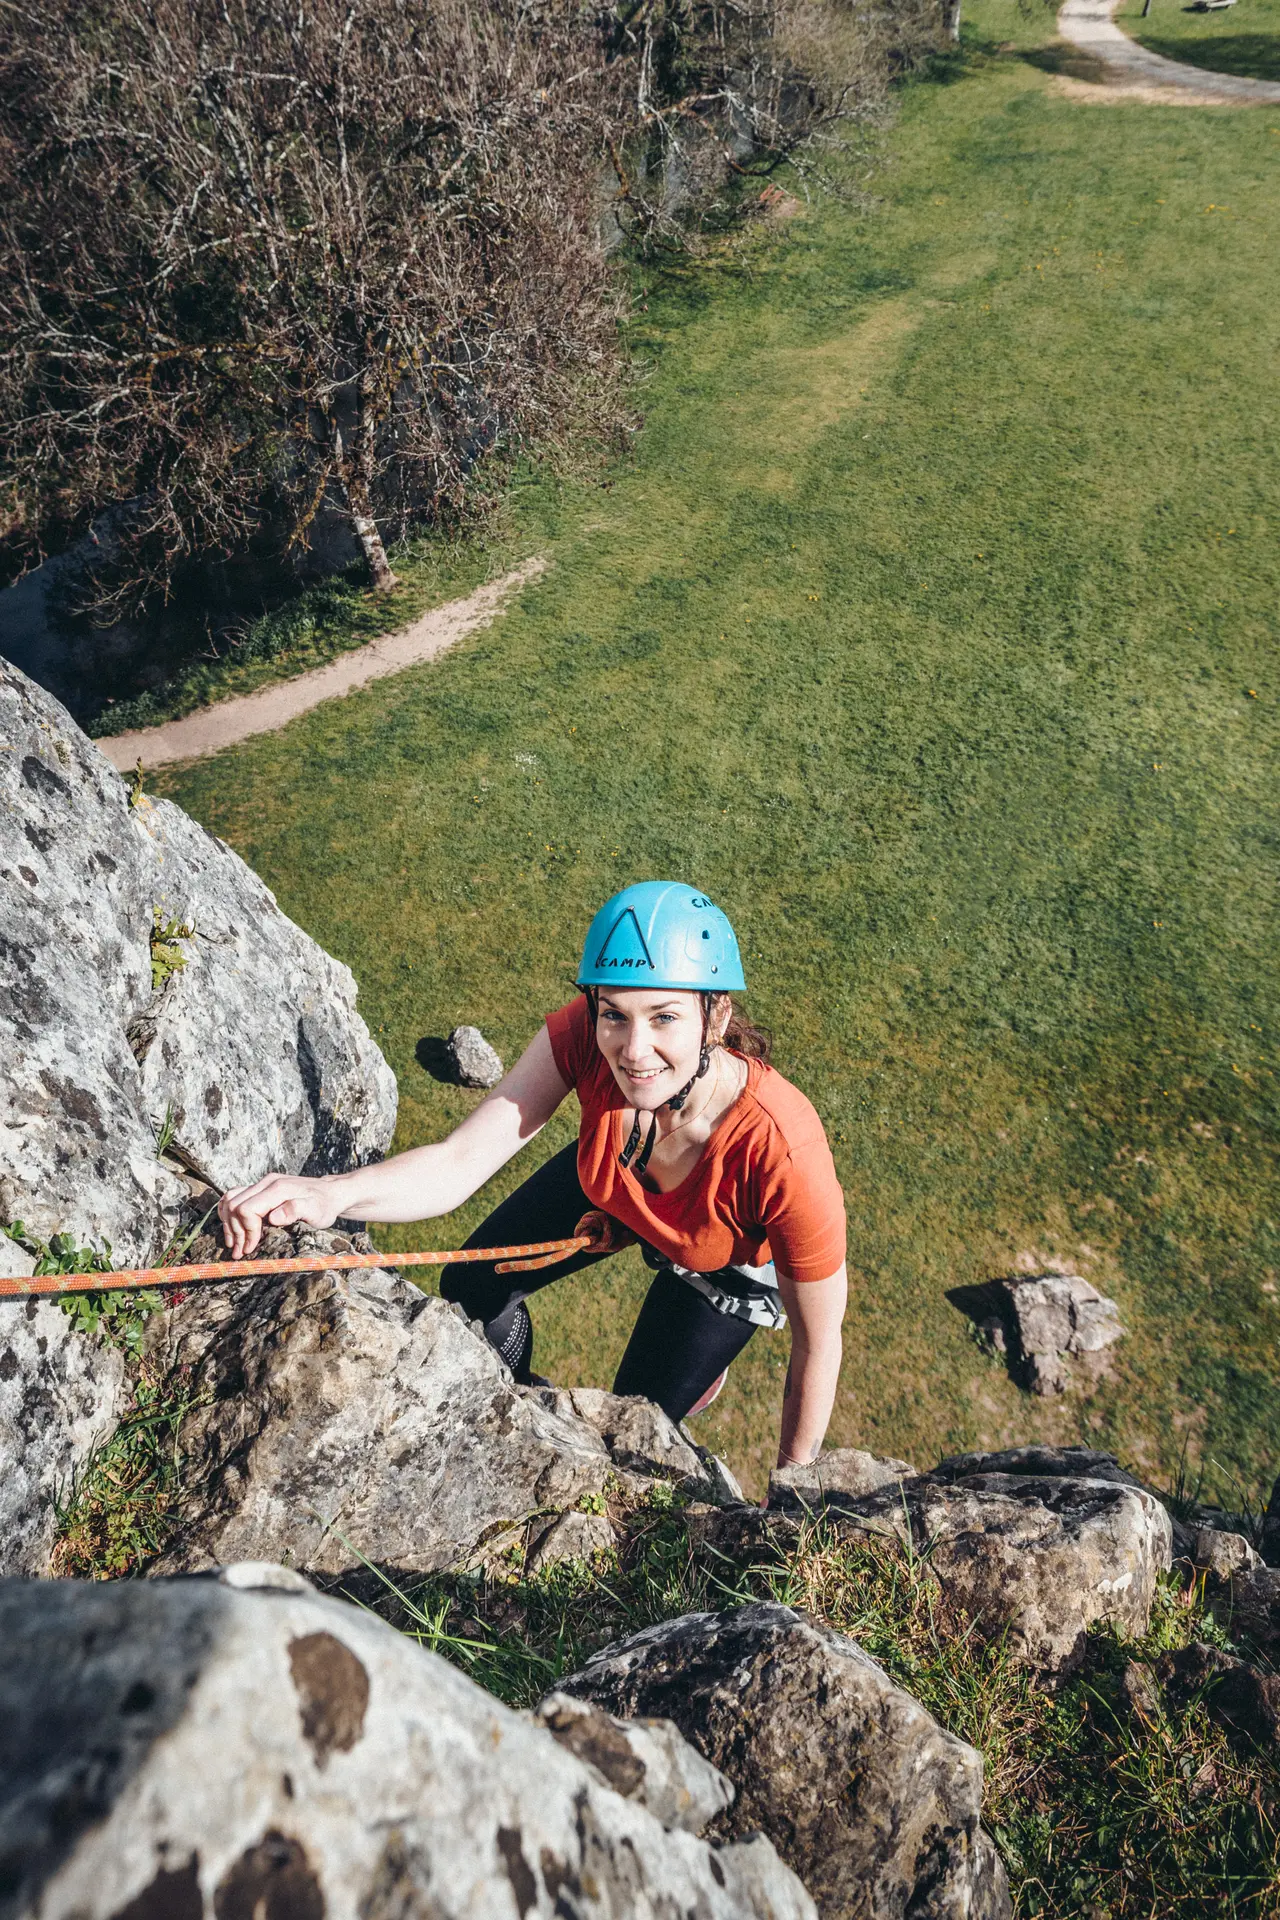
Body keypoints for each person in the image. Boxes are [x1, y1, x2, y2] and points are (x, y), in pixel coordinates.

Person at [219, 882, 847, 1469]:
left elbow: (818, 1345)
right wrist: (331, 1194)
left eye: (664, 1018)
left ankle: (698, 1373)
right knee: (472, 1287)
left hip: (723, 1255)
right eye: (614, 1014)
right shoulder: (583, 1039)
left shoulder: (782, 1150)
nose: (632, 1050)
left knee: (631, 1425)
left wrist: (792, 1493)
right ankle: (518, 1405)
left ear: (714, 1019)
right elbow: (458, 1162)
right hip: (619, 1176)